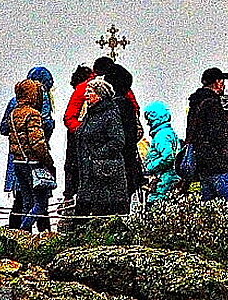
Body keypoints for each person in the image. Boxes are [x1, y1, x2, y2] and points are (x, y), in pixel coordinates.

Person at [0, 66, 57, 225]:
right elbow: (42, 131)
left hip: (17, 157)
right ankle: (34, 232)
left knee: (23, 199)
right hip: (34, 157)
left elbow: (3, 128)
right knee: (40, 199)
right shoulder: (39, 104)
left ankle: (18, 234)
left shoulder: (14, 104)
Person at [74, 77, 129, 220]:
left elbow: (118, 140)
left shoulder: (110, 113)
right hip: (89, 170)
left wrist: (97, 155)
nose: (86, 95)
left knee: (102, 210)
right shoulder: (91, 113)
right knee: (85, 208)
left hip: (104, 172)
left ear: (100, 95)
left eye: (90, 91)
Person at [186, 67, 228, 201]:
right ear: (217, 82)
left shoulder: (196, 103)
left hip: (202, 163)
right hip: (219, 163)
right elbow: (218, 134)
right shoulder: (213, 103)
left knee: (208, 208)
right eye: (222, 81)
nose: (223, 84)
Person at [102, 61, 145, 199]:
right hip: (127, 160)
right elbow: (136, 133)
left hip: (115, 163)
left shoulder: (112, 106)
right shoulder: (127, 105)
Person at [61, 64, 94, 201]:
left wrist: (81, 132)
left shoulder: (82, 90)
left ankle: (70, 203)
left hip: (79, 138)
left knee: (74, 171)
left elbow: (68, 118)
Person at [142, 100, 181, 204]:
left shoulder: (161, 135)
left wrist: (149, 167)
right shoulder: (167, 133)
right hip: (167, 179)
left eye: (148, 117)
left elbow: (168, 157)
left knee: (155, 206)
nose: (147, 122)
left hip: (163, 181)